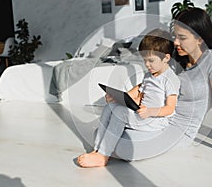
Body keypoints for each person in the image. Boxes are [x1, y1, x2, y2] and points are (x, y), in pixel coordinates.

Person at [77, 8, 212, 168]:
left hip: (178, 131)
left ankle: (103, 153)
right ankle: (102, 152)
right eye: (175, 36)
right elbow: (150, 84)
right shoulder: (178, 63)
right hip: (158, 120)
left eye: (182, 37)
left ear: (200, 39)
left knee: (122, 146)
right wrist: (125, 96)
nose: (175, 42)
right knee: (102, 131)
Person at [77, 28, 180, 167]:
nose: (147, 65)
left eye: (151, 60)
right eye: (144, 60)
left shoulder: (170, 79)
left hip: (155, 121)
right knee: (110, 107)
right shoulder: (150, 74)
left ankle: (103, 155)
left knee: (120, 113)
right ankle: (97, 149)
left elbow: (170, 109)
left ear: (166, 58)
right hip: (142, 115)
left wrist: (150, 111)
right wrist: (119, 98)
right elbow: (139, 90)